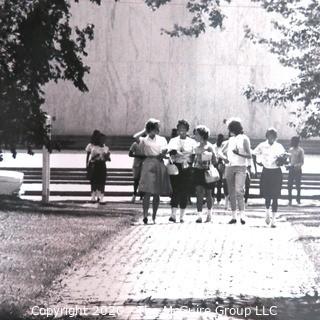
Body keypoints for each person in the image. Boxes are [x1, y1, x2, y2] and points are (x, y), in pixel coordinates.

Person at [134, 119, 172, 224]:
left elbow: (166, 150)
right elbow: (135, 137)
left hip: (159, 163)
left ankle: (154, 216)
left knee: (157, 192)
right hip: (148, 163)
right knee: (147, 191)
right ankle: (145, 215)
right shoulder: (144, 140)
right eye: (153, 128)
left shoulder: (162, 139)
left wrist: (163, 154)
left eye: (157, 128)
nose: (156, 130)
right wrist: (145, 130)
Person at [252, 128, 286, 228]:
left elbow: (284, 157)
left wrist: (283, 161)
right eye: (270, 136)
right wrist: (258, 163)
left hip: (276, 172)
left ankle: (274, 220)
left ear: (276, 137)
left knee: (275, 196)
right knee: (267, 195)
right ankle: (267, 214)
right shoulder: (262, 145)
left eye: (274, 136)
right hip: (266, 171)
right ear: (267, 136)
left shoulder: (279, 146)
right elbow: (254, 154)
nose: (272, 138)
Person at [167, 120, 197, 223]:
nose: (182, 131)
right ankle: (173, 214)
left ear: (187, 130)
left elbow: (194, 154)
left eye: (184, 129)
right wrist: (179, 154)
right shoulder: (173, 140)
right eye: (180, 129)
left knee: (185, 191)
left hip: (187, 168)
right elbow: (171, 151)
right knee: (175, 190)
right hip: (176, 166)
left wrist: (188, 158)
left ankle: (182, 216)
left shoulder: (192, 142)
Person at [223, 119, 252, 224]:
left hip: (241, 167)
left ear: (234, 129)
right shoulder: (231, 140)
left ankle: (242, 216)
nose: (229, 131)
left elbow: (249, 155)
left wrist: (238, 154)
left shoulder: (244, 139)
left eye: (230, 129)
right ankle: (234, 216)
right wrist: (223, 157)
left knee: (239, 191)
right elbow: (223, 152)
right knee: (231, 192)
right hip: (230, 167)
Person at [192, 125, 217, 223]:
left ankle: (209, 214)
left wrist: (208, 158)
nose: (195, 136)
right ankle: (199, 216)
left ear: (202, 135)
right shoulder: (195, 146)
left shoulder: (209, 146)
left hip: (208, 172)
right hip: (198, 171)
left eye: (197, 134)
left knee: (208, 193)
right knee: (199, 193)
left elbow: (215, 160)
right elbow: (193, 159)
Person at [85, 130, 111, 203]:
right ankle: (93, 197)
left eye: (103, 139)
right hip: (94, 164)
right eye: (101, 139)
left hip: (102, 165)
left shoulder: (106, 148)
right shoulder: (92, 146)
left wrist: (107, 157)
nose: (102, 140)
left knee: (102, 181)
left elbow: (108, 159)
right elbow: (88, 156)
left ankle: (101, 197)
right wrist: (86, 165)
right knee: (94, 181)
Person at [212, 134, 229, 207]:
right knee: (216, 183)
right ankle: (215, 198)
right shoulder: (214, 146)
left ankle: (220, 199)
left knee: (223, 182)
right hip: (216, 163)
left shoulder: (223, 146)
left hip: (223, 163)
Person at [287, 136, 304, 205]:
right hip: (291, 170)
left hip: (297, 170)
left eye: (294, 141)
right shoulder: (290, 150)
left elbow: (302, 162)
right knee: (289, 185)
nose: (293, 143)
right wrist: (288, 165)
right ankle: (290, 199)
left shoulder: (300, 150)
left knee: (298, 185)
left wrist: (295, 166)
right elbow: (289, 160)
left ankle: (298, 199)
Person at [129, 136, 145, 203]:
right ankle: (134, 194)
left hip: (144, 164)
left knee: (143, 180)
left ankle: (141, 196)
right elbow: (130, 154)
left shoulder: (147, 145)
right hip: (137, 164)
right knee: (136, 180)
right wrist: (138, 156)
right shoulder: (135, 144)